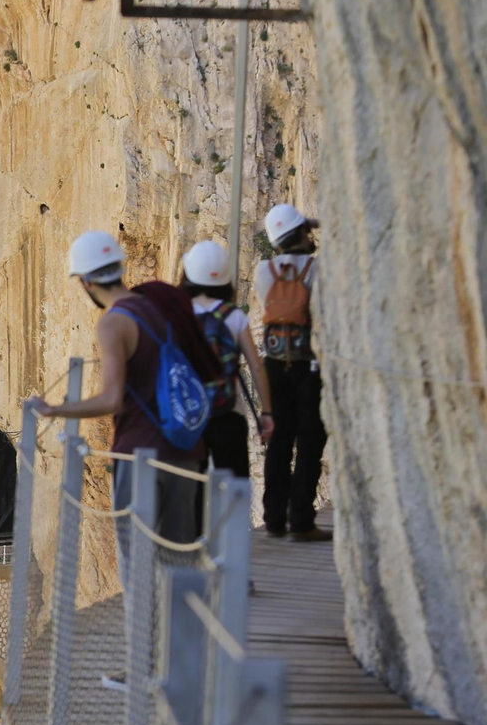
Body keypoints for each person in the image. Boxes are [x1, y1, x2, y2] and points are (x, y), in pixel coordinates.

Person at [32, 231, 222, 545]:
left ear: (87, 282)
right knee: (179, 558)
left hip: (140, 454)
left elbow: (111, 399)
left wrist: (54, 409)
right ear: (120, 268)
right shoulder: (161, 304)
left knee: (139, 566)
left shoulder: (113, 323)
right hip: (186, 449)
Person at [181, 240, 275, 525]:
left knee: (190, 489)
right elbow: (256, 368)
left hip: (190, 416)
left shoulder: (179, 313)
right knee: (234, 489)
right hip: (228, 413)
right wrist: (267, 413)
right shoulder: (233, 316)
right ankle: (233, 556)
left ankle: (193, 553)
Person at [254, 204, 332, 541]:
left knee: (279, 442)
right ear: (302, 232)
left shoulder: (264, 271)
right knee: (310, 441)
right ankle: (301, 521)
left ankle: (273, 520)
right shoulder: (317, 269)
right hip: (307, 366)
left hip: (273, 364)